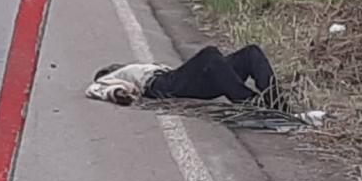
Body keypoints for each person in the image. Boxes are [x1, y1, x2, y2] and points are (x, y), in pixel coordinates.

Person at [85, 45, 289, 111]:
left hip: (178, 78)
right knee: (210, 54)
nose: (114, 66)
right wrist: (119, 93)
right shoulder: (111, 78)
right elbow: (98, 90)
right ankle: (249, 102)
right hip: (161, 85)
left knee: (250, 53)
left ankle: (277, 104)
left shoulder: (136, 68)